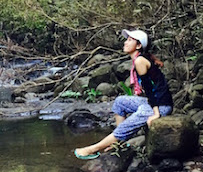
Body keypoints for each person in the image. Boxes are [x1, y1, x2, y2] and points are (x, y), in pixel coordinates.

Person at [74, 29, 173, 160]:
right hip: (154, 101)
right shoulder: (141, 58)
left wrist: (156, 114)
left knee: (136, 117)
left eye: (130, 40)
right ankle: (119, 141)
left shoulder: (140, 61)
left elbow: (150, 90)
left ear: (138, 46)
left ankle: (92, 149)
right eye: (127, 39)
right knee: (120, 102)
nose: (126, 42)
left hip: (161, 105)